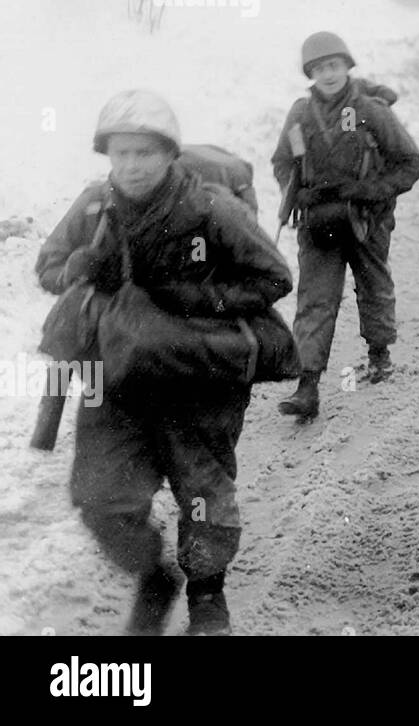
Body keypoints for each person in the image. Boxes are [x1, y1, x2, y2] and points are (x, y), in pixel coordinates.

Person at [35, 90, 294, 635]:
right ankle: (154, 574)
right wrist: (79, 266)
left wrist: (189, 300)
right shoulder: (93, 207)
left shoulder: (210, 209)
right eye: (120, 154)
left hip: (194, 373)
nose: (131, 166)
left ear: (169, 154)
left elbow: (273, 277)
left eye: (144, 154)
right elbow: (50, 267)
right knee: (100, 497)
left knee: (202, 494)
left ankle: (207, 597)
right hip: (117, 376)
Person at [273, 32, 419, 418]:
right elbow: (282, 162)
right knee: (315, 299)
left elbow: (411, 162)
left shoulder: (370, 110)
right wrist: (295, 193)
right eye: (320, 68)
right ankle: (307, 385)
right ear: (310, 72)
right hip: (319, 220)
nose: (328, 74)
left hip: (366, 219)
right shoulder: (300, 114)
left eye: (334, 65)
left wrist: (368, 190)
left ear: (347, 67)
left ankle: (379, 354)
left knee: (373, 285)